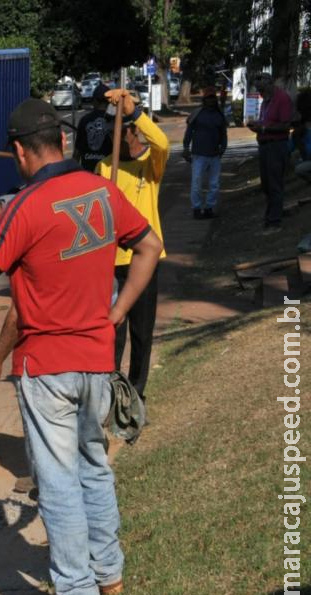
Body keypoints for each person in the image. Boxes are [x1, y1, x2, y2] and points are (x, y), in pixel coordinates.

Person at [0, 98, 162, 595]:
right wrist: (117, 311)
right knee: (93, 465)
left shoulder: (24, 207)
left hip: (47, 369)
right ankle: (108, 573)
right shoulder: (103, 191)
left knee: (59, 482)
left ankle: (76, 589)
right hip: (96, 361)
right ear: (64, 141)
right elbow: (150, 245)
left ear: (21, 152)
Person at [96, 89, 169, 402]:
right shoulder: (103, 167)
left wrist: (134, 110)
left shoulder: (151, 164)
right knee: (113, 331)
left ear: (132, 131)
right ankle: (111, 390)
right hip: (113, 261)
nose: (117, 136)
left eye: (122, 130)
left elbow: (163, 143)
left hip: (146, 261)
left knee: (142, 331)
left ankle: (137, 393)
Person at [247, 73, 293, 233]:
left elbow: (286, 125)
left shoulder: (282, 98)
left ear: (270, 85)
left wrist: (264, 128)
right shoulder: (266, 101)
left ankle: (275, 222)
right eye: (258, 89)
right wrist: (257, 124)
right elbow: (266, 120)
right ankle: (270, 217)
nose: (259, 92)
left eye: (261, 89)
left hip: (276, 145)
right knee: (266, 184)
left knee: (274, 184)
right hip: (265, 145)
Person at [183, 86, 227, 219]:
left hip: (215, 155)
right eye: (208, 98)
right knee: (196, 183)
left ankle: (209, 208)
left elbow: (223, 134)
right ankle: (196, 209)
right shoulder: (197, 114)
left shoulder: (219, 115)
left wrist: (223, 148)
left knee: (214, 184)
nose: (211, 101)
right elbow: (189, 132)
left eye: (213, 98)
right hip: (198, 155)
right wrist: (185, 148)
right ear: (204, 100)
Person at [74, 83, 113, 173]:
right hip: (108, 173)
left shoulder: (84, 120)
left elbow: (77, 152)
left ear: (95, 101)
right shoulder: (113, 121)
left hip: (88, 173)